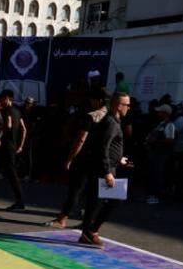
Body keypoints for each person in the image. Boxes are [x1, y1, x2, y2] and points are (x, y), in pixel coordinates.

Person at [49, 87, 108, 227]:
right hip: (103, 159)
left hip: (87, 157)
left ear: (98, 100)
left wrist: (70, 158)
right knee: (94, 193)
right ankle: (88, 221)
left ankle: (62, 218)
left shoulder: (92, 116)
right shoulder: (111, 116)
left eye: (92, 100)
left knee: (76, 188)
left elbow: (81, 139)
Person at [79, 92, 131, 247]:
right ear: (118, 105)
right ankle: (91, 231)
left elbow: (109, 147)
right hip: (103, 169)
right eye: (126, 104)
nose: (129, 107)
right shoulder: (110, 122)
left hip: (108, 166)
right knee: (108, 201)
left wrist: (119, 158)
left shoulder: (114, 121)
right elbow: (102, 147)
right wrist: (107, 171)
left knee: (96, 202)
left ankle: (88, 232)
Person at [0, 89, 27, 211]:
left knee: (11, 175)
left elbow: (9, 125)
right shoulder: (17, 111)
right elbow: (24, 129)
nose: (0, 100)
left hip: (5, 146)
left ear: (7, 98)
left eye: (1, 98)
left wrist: (1, 132)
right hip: (12, 147)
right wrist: (20, 145)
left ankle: (20, 201)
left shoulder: (6, 111)